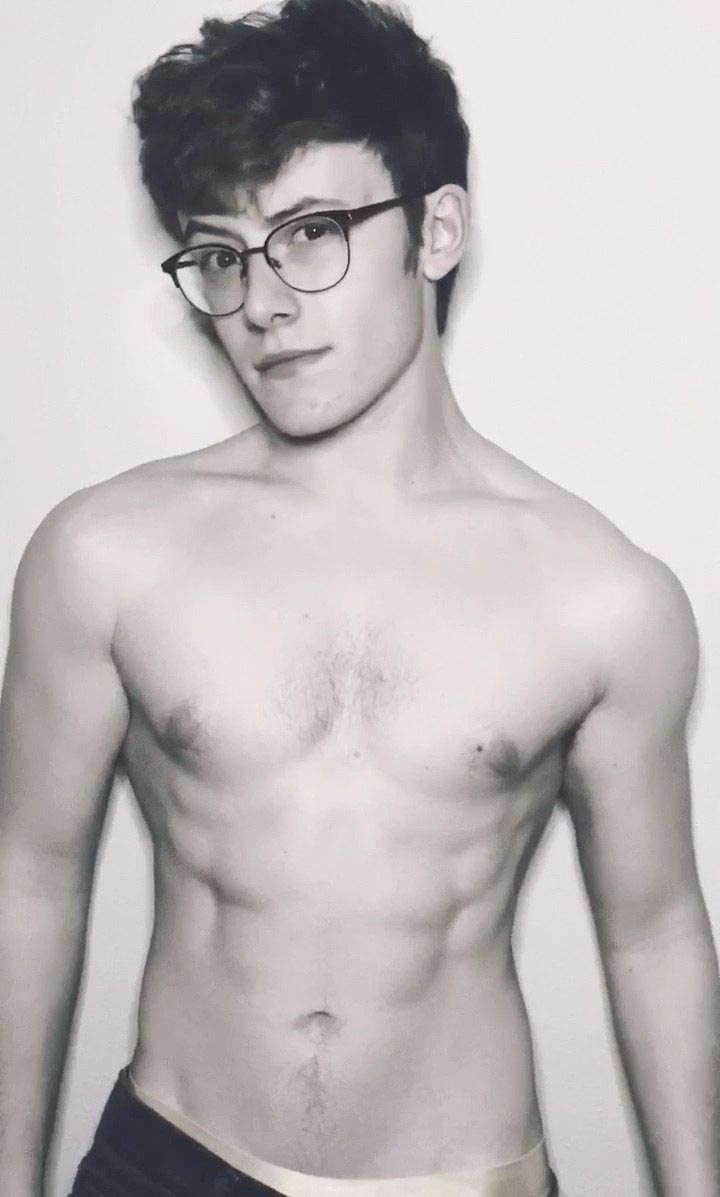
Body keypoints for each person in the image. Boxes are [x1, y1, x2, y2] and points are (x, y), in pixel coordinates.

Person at [0, 0, 718, 1194]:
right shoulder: (105, 554)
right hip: (173, 1162)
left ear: (436, 230)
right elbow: (29, 879)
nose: (262, 303)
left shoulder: (603, 598)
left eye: (312, 233)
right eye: (221, 254)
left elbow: (654, 934)